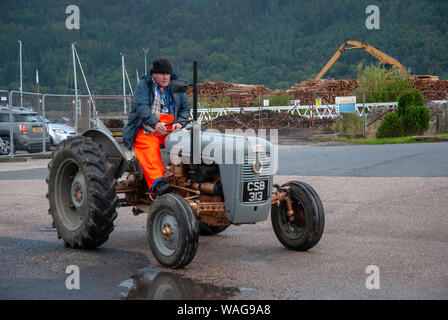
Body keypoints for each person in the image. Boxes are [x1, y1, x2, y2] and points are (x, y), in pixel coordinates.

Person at [122, 58, 190, 195]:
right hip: (147, 127)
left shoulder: (176, 87)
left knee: (187, 143)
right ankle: (158, 183)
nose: (165, 77)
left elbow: (186, 107)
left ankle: (188, 178)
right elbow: (141, 108)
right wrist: (155, 123)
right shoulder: (144, 85)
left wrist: (180, 122)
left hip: (171, 128)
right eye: (162, 74)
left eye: (167, 74)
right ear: (154, 74)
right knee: (149, 147)